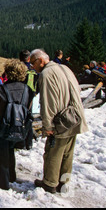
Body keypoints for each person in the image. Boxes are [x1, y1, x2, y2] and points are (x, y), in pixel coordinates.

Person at [29, 49, 89, 193]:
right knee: (68, 153)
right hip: (74, 117)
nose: (32, 66)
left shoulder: (46, 74)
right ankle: (64, 182)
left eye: (33, 63)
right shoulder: (64, 68)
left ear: (41, 61)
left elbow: (48, 102)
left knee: (53, 152)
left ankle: (50, 183)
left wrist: (48, 125)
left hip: (61, 121)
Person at [0, 59, 35, 190]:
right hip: (20, 127)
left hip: (2, 126)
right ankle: (12, 175)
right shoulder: (29, 90)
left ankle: (2, 182)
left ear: (8, 73)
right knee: (11, 150)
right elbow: (28, 109)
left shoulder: (0, 89)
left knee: (2, 154)